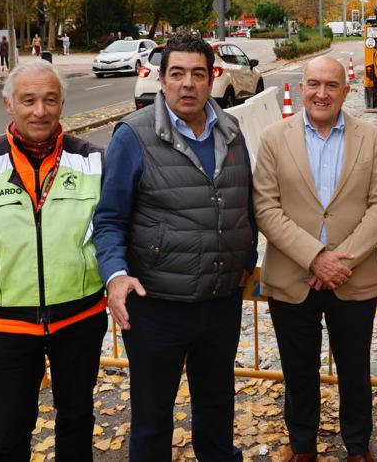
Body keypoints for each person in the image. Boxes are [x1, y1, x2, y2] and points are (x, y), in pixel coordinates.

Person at [92, 34, 257, 461]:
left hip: (219, 303)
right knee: (152, 418)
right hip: (157, 307)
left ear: (211, 79)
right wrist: (115, 275)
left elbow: (244, 201)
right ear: (161, 81)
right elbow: (109, 219)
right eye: (177, 73)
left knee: (217, 409)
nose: (188, 84)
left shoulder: (231, 131)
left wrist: (247, 257)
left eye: (198, 74)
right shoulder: (134, 136)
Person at [0, 59, 107, 461]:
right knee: (9, 431)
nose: (40, 110)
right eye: (29, 100)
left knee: (76, 421)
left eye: (50, 100)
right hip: (9, 324)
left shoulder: (92, 161)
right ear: (9, 104)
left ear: (62, 104)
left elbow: (109, 228)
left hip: (80, 319)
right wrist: (4, 270)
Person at [253, 55, 377, 462]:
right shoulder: (274, 138)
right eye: (313, 84)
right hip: (292, 277)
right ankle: (302, 445)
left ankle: (357, 445)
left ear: (346, 91)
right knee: (299, 372)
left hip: (353, 277)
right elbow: (265, 206)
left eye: (331, 85)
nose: (321, 93)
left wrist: (340, 261)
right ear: (301, 88)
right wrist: (315, 258)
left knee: (355, 371)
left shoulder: (370, 137)